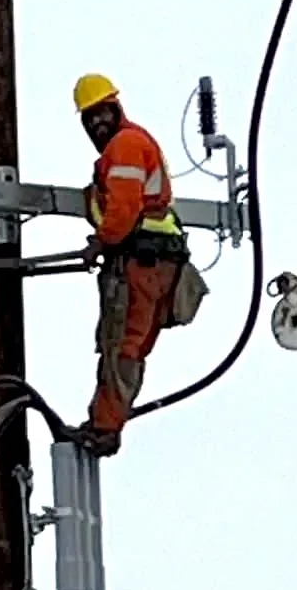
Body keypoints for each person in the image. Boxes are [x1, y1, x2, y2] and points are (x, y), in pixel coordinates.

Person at [71, 72, 205, 457]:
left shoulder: (126, 145)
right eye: (89, 118)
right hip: (155, 263)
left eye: (101, 113)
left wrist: (101, 241)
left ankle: (104, 428)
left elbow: (124, 208)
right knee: (130, 348)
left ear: (116, 108)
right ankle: (106, 421)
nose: (96, 123)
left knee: (121, 346)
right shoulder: (130, 144)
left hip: (141, 264)